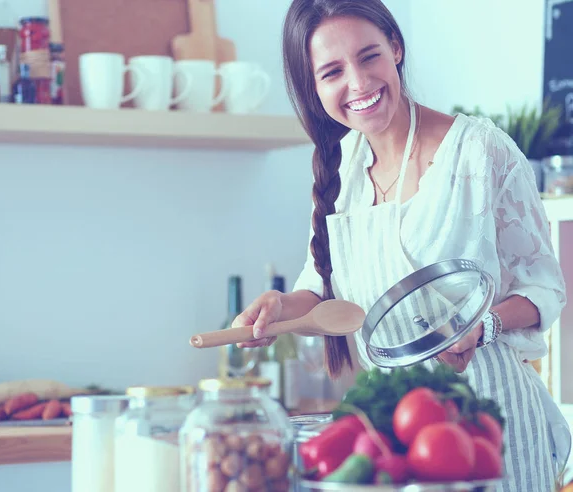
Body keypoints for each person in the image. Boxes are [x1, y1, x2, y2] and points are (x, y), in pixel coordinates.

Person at [232, 0, 570, 490]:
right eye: (332, 71)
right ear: (313, 87)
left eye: (369, 56)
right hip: (401, 430)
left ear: (396, 47)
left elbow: (546, 289)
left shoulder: (478, 152)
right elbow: (325, 295)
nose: (359, 83)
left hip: (493, 427)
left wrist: (483, 326)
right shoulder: (340, 168)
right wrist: (278, 309)